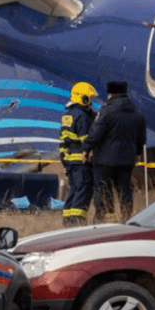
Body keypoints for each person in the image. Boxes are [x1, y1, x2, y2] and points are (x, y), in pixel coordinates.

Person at [84, 81, 147, 223]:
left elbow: (95, 134)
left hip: (105, 161)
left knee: (102, 189)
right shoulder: (138, 115)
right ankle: (126, 218)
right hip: (127, 160)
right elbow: (141, 139)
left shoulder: (106, 112)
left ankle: (101, 218)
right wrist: (136, 154)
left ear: (110, 94)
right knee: (125, 191)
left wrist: (86, 149)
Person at [60, 81, 98, 226]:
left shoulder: (68, 115)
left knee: (73, 190)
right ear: (83, 98)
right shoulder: (82, 117)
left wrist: (64, 161)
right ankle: (77, 222)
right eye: (89, 98)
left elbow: (62, 142)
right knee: (83, 191)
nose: (91, 102)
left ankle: (67, 220)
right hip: (81, 161)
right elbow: (85, 140)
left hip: (70, 160)